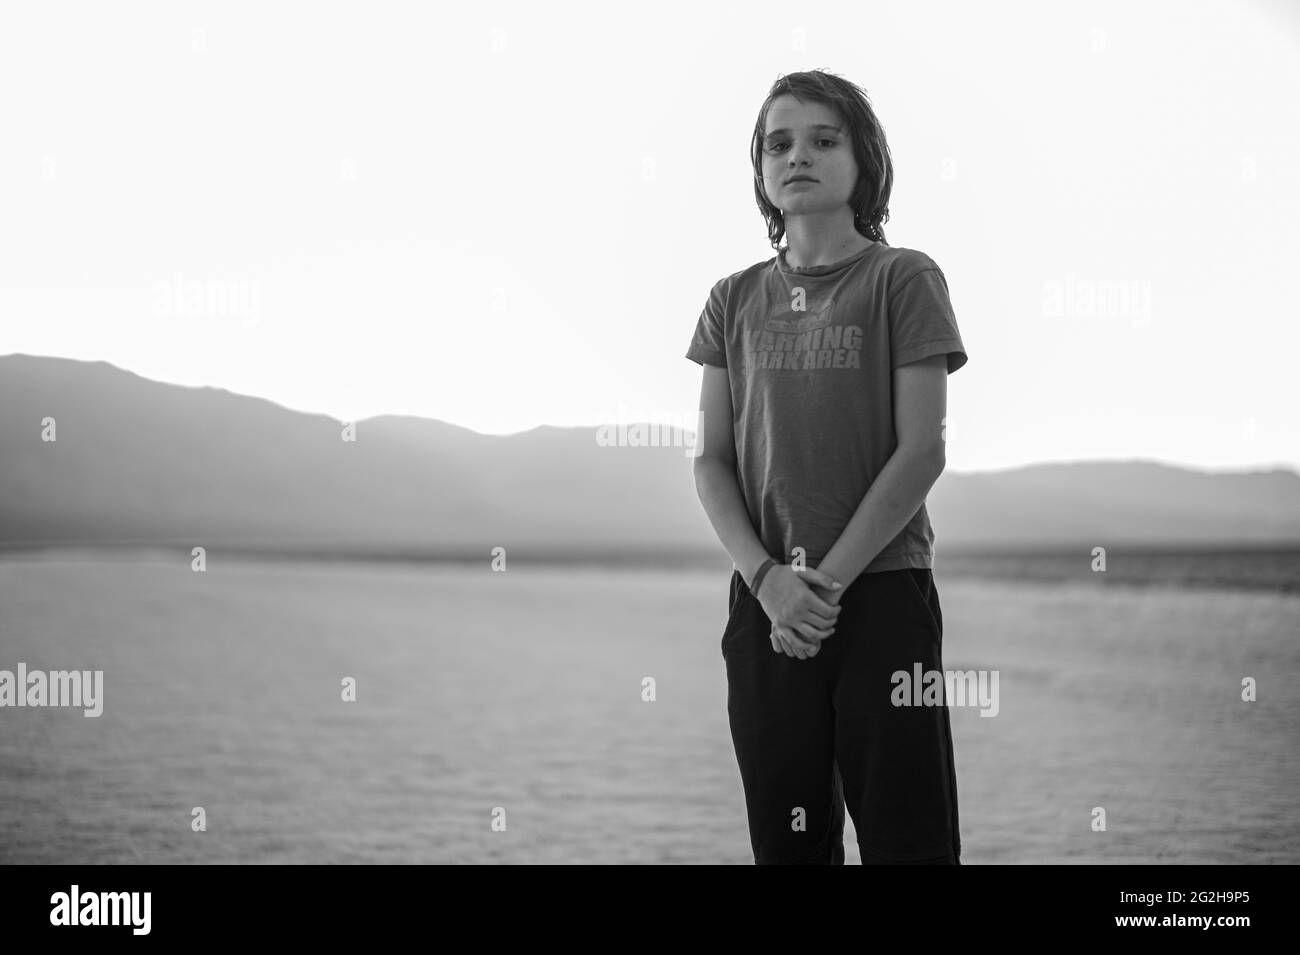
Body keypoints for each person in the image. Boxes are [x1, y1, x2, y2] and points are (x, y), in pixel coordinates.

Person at [686, 70, 968, 864]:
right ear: (761, 170)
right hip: (766, 605)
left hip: (880, 596)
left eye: (823, 139)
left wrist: (825, 587)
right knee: (788, 843)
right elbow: (710, 459)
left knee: (908, 841)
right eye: (779, 143)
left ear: (863, 161)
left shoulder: (902, 278)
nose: (797, 156)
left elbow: (924, 449)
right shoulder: (732, 299)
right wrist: (771, 582)